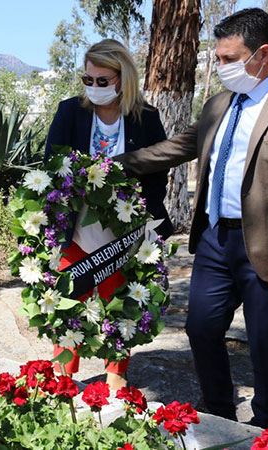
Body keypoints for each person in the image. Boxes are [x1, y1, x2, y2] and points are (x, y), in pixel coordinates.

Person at [117, 8, 268, 428]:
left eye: (228, 59)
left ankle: (267, 427)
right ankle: (219, 415)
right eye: (218, 58)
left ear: (262, 55)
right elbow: (177, 147)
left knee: (265, 343)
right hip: (216, 240)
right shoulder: (219, 104)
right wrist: (115, 165)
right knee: (201, 329)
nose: (220, 67)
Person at [45, 39, 174, 388]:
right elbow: (51, 164)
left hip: (125, 231)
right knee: (68, 300)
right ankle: (62, 380)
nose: (94, 87)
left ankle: (117, 376)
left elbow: (158, 172)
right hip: (76, 227)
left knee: (121, 301)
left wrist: (138, 212)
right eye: (88, 80)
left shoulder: (146, 118)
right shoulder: (70, 111)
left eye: (102, 81)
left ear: (122, 78)